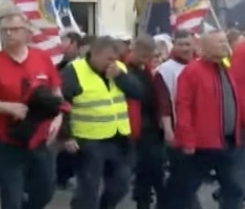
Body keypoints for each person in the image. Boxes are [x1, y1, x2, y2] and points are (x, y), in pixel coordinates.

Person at [0, 10, 65, 209]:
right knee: (11, 198)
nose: (9, 34)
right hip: (9, 141)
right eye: (5, 31)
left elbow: (56, 92)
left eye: (14, 29)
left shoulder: (42, 58)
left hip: (41, 138)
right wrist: (9, 107)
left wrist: (58, 119)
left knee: (45, 191)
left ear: (27, 33)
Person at [165, 29, 245, 209]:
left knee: (234, 188)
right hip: (201, 145)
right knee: (184, 190)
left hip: (228, 142)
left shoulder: (225, 67)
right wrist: (187, 140)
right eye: (220, 43)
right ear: (205, 47)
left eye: (225, 41)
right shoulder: (192, 72)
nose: (226, 45)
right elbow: (183, 107)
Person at [61, 36, 142, 209]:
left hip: (119, 137)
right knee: (89, 189)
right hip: (89, 139)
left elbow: (138, 92)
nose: (112, 63)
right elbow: (62, 104)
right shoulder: (74, 70)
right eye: (108, 59)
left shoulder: (119, 68)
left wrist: (120, 77)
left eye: (115, 58)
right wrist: (66, 135)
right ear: (95, 55)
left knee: (121, 184)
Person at [153, 30, 202, 209]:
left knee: (187, 175)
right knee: (182, 173)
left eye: (187, 44)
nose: (184, 48)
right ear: (174, 45)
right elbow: (163, 102)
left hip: (200, 129)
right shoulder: (164, 70)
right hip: (177, 127)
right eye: (180, 44)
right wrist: (168, 129)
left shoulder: (199, 65)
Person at [125, 35, 164, 209]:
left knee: (153, 168)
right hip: (133, 126)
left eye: (149, 57)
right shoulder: (123, 69)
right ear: (133, 49)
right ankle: (143, 200)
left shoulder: (146, 69)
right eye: (143, 56)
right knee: (140, 168)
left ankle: (145, 200)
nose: (146, 60)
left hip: (150, 127)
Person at [56, 31, 83, 190]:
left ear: (74, 45)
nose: (61, 45)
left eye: (65, 42)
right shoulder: (59, 63)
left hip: (74, 117)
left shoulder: (78, 67)